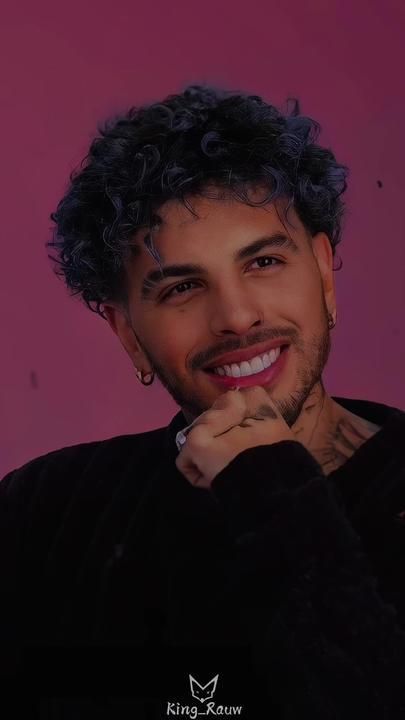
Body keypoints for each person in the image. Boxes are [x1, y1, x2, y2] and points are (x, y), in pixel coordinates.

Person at [1, 83, 405, 719]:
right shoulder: (48, 512)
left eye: (265, 261)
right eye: (182, 286)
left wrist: (270, 487)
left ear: (324, 275)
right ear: (129, 334)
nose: (238, 318)